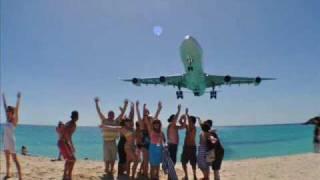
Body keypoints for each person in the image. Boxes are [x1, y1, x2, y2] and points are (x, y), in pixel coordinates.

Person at [101, 107, 139, 180]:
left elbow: (131, 119)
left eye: (130, 122)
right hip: (123, 145)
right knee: (123, 159)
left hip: (130, 146)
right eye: (127, 121)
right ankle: (122, 174)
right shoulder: (123, 128)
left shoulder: (131, 128)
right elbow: (114, 127)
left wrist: (133, 109)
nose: (129, 122)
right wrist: (105, 126)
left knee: (127, 161)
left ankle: (126, 175)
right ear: (124, 122)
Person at [95, 97, 128, 175]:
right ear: (108, 115)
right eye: (110, 114)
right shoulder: (104, 120)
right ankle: (107, 168)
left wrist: (125, 105)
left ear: (114, 115)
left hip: (113, 142)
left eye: (112, 114)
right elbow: (99, 112)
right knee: (107, 157)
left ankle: (112, 169)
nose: (111, 115)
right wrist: (96, 103)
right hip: (106, 142)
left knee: (113, 157)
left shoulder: (116, 121)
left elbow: (122, 114)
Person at [135, 101, 162, 177]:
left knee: (152, 161)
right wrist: (137, 108)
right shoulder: (142, 124)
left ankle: (150, 173)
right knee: (146, 161)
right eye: (145, 115)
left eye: (147, 114)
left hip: (152, 145)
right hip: (145, 145)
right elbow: (139, 116)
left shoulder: (152, 125)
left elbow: (156, 116)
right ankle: (146, 175)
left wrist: (159, 108)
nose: (147, 116)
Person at [2, 92, 23, 180]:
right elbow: (4, 106)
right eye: (6, 112)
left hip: (11, 142)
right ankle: (8, 174)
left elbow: (17, 109)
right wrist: (3, 97)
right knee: (7, 159)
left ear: (12, 112)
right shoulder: (7, 119)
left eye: (8, 111)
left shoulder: (14, 121)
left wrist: (18, 99)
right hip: (6, 141)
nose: (7, 113)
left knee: (15, 160)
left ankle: (20, 177)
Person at [143, 103, 165, 180]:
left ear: (159, 124)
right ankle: (152, 177)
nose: (156, 124)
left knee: (158, 164)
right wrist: (158, 109)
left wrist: (165, 146)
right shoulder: (151, 130)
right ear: (153, 124)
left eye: (158, 123)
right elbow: (147, 121)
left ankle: (157, 177)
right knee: (153, 165)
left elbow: (163, 141)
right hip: (152, 148)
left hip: (159, 149)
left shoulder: (161, 132)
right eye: (155, 123)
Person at [58, 111, 79, 180]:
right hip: (64, 143)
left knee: (69, 159)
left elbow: (60, 131)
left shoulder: (68, 123)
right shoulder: (72, 124)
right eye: (77, 116)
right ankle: (69, 176)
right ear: (76, 117)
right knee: (73, 159)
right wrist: (72, 146)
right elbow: (67, 135)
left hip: (61, 142)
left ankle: (65, 175)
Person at [181, 109, 197, 180]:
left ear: (192, 122)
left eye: (189, 120)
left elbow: (190, 124)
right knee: (183, 162)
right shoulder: (187, 127)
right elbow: (181, 123)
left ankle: (194, 176)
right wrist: (182, 118)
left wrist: (187, 114)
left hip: (192, 147)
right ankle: (186, 176)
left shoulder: (194, 128)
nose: (188, 121)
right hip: (186, 147)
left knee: (193, 163)